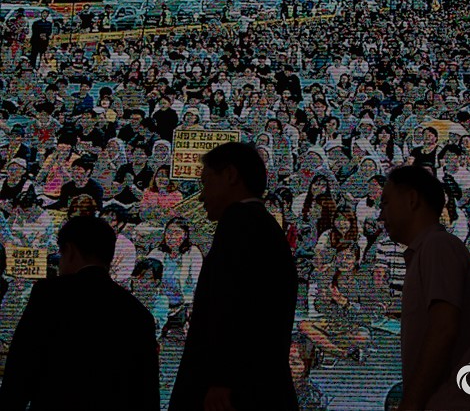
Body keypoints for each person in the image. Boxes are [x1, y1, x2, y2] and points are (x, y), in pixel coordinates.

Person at [169, 142, 298, 411]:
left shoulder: (240, 223)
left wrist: (221, 378)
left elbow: (231, 304)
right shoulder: (262, 226)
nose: (201, 197)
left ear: (230, 175)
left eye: (206, 184)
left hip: (235, 390)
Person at [0, 216, 159, 410]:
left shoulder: (50, 294)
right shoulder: (139, 314)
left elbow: (21, 367)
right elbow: (147, 394)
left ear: (70, 251)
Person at [378, 165, 470, 410]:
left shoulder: (437, 247)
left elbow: (443, 329)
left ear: (412, 200)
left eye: (386, 203)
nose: (381, 215)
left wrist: (412, 402)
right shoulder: (427, 250)